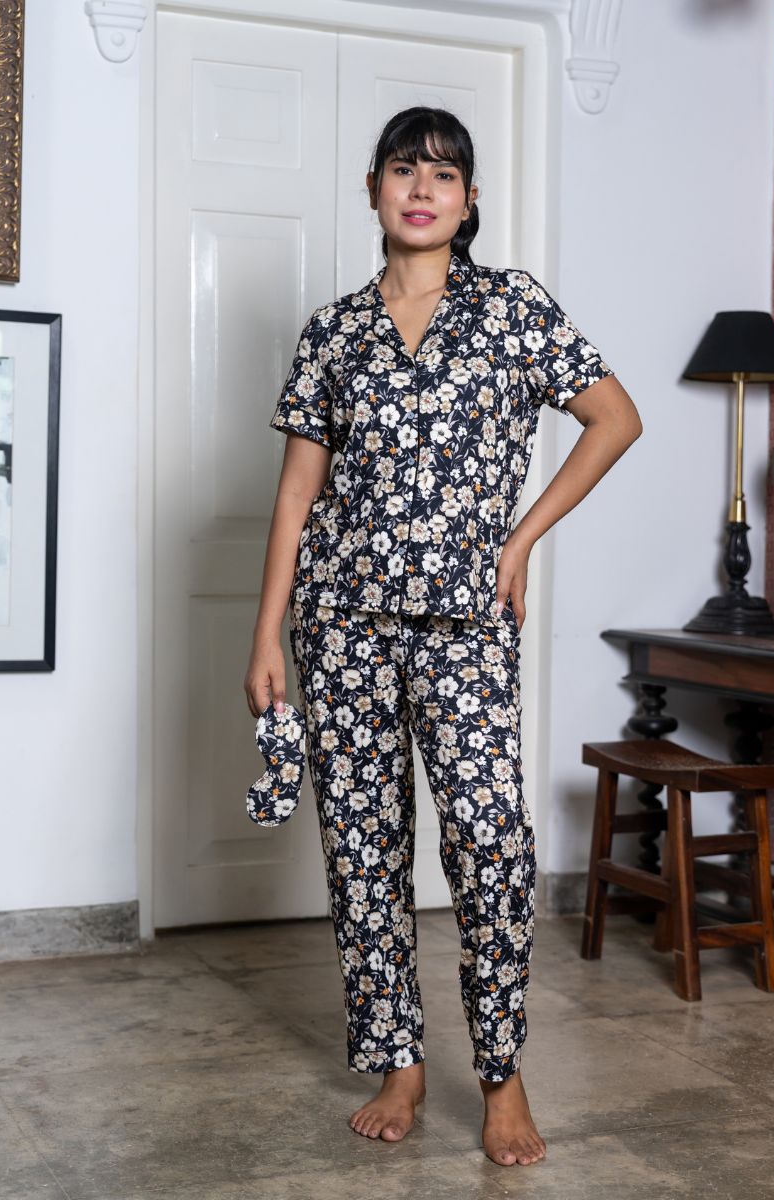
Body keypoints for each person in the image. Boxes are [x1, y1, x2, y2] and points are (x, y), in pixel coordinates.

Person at [244, 106, 642, 1168]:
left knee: (490, 843)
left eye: (444, 174)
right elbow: (296, 494)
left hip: (466, 625)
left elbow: (615, 418)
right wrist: (267, 633)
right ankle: (399, 1065)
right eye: (403, 169)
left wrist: (521, 537)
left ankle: (501, 1075)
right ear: (374, 188)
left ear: (468, 202)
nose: (422, 188)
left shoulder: (511, 308)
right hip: (340, 624)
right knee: (361, 850)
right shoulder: (333, 332)